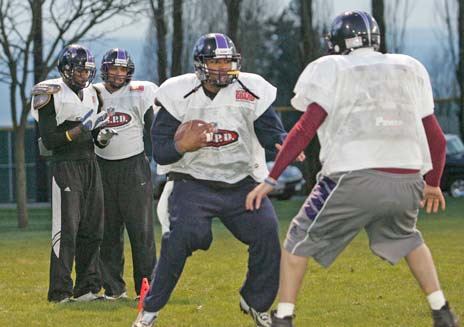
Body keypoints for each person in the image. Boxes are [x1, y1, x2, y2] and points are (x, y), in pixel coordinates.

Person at [246, 11, 459, 327]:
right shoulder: (409, 68)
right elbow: (437, 139)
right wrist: (433, 183)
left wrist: (273, 176)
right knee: (409, 238)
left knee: (296, 239)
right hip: (407, 179)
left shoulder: (333, 69)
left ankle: (284, 317)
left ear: (337, 44)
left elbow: (305, 127)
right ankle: (442, 312)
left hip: (351, 177)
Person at [132, 32, 295, 327]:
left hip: (241, 182)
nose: (223, 68)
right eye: (216, 62)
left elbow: (270, 130)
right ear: (201, 64)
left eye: (227, 61)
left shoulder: (251, 88)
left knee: (267, 232)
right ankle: (150, 310)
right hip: (193, 183)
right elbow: (162, 152)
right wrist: (183, 145)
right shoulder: (176, 93)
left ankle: (256, 303)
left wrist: (281, 142)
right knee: (181, 237)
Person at [31, 44, 113, 303]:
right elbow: (50, 139)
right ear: (66, 69)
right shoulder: (49, 92)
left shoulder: (93, 94)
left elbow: (94, 137)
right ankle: (60, 292)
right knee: (66, 230)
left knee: (93, 228)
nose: (84, 75)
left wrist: (102, 135)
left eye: (87, 70)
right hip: (65, 166)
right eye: (79, 70)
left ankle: (87, 287)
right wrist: (79, 129)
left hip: (90, 163)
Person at [93, 48, 157, 300]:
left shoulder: (141, 91)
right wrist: (99, 137)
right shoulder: (93, 93)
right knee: (108, 232)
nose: (118, 74)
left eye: (122, 69)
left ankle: (147, 287)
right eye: (114, 68)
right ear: (105, 70)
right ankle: (113, 288)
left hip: (133, 167)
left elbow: (155, 128)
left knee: (140, 231)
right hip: (103, 167)